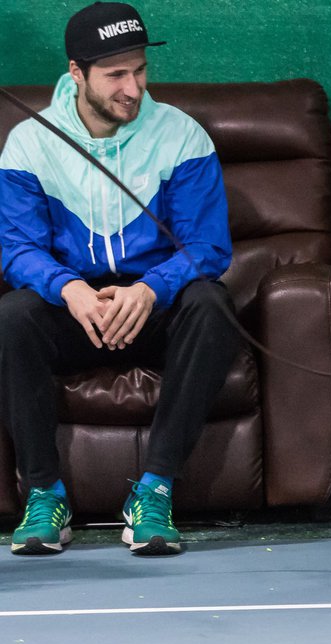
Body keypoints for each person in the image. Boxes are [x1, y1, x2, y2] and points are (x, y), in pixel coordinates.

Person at [0, 2, 236, 556]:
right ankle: (43, 494)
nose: (133, 88)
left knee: (212, 304)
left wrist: (152, 287)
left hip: (152, 304)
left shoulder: (183, 136)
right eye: (115, 75)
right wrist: (70, 289)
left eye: (140, 70)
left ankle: (154, 490)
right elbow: (17, 250)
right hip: (73, 309)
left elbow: (208, 246)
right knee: (11, 316)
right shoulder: (29, 144)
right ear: (76, 73)